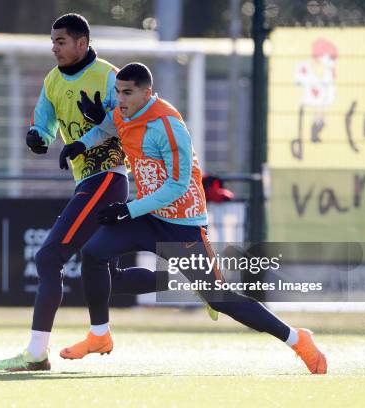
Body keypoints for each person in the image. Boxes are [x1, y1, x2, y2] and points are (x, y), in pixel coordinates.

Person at [58, 62, 327, 375]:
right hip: (147, 214)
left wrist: (128, 209)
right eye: (118, 92)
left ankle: (298, 339)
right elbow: (110, 127)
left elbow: (177, 186)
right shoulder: (123, 111)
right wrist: (80, 143)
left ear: (147, 93)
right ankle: (100, 336)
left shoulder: (168, 127)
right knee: (94, 255)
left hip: (182, 224)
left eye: (127, 92)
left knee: (221, 298)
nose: (120, 99)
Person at [0, 13, 213, 373]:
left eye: (61, 41)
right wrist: (38, 137)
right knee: (114, 278)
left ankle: (36, 353)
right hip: (86, 181)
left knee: (48, 258)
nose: (55, 47)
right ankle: (193, 281)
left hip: (106, 178)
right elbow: (43, 123)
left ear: (82, 42)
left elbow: (123, 122)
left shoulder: (110, 76)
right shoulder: (51, 81)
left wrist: (97, 124)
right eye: (53, 41)